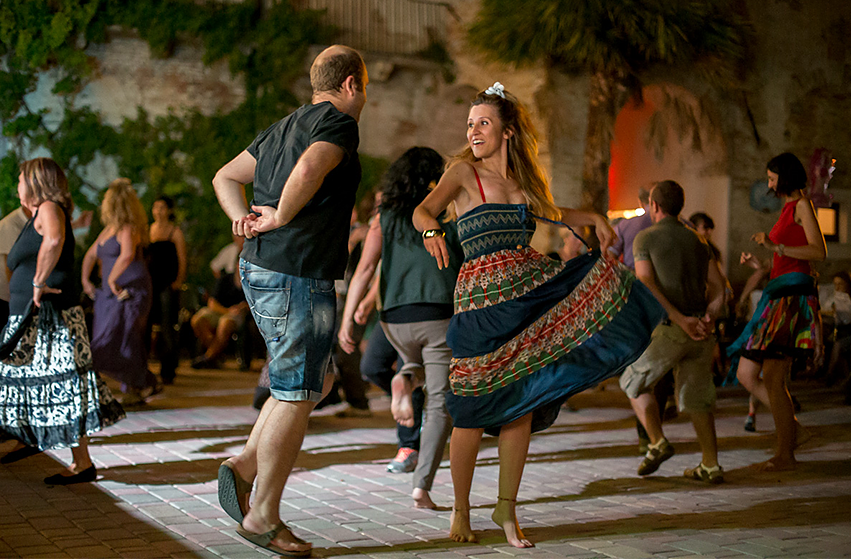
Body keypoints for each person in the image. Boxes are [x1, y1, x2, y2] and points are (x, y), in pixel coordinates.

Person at [413, 82, 664, 548]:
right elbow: (422, 211)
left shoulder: (523, 186)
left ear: (508, 131)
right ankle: (461, 511)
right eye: (470, 124)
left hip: (527, 295)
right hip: (480, 306)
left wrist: (594, 216)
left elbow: (554, 211)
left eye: (483, 122)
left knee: (521, 408)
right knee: (468, 411)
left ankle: (507, 511)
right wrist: (431, 231)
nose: (473, 130)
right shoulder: (464, 173)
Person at [211, 44, 368, 557]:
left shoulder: (283, 125)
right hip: (297, 268)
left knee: (311, 379)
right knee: (299, 388)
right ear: (351, 84)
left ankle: (244, 466)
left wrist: (242, 218)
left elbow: (225, 176)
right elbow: (310, 170)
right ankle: (262, 515)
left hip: (261, 265)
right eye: (364, 87)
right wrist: (277, 215)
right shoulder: (338, 123)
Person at [339, 147, 462, 509]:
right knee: (440, 405)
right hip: (439, 314)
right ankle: (421, 487)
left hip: (394, 320)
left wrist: (349, 319)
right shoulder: (448, 212)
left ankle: (406, 378)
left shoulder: (385, 216)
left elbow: (364, 268)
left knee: (413, 363)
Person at [0, 158, 125, 481]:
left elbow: (54, 241)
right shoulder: (40, 213)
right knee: (39, 382)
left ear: (36, 182)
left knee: (61, 383)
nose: (17, 185)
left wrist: (38, 281)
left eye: (20, 179)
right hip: (35, 314)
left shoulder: (49, 208)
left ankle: (80, 462)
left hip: (49, 315)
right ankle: (37, 442)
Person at [619, 181, 728, 483]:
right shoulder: (698, 241)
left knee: (632, 382)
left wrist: (679, 318)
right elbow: (720, 288)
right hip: (701, 331)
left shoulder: (645, 238)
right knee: (698, 400)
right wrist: (709, 316)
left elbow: (645, 281)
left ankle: (656, 442)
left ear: (653, 205)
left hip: (669, 329)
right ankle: (710, 464)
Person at [728, 152, 826, 471]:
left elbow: (818, 251)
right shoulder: (787, 209)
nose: (769, 184)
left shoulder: (802, 206)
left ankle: (787, 451)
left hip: (791, 300)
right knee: (747, 373)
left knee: (772, 376)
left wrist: (776, 248)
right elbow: (787, 260)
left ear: (785, 177)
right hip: (777, 293)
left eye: (772, 178)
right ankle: (793, 431)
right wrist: (763, 263)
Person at [82, 179, 158, 406]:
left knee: (123, 338)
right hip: (108, 294)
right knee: (109, 337)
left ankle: (137, 385)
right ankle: (141, 383)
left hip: (129, 291)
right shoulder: (108, 230)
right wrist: (85, 279)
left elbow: (126, 255)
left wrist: (113, 279)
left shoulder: (128, 228)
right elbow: (90, 255)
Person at [147, 195, 187, 384]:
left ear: (169, 210)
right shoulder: (149, 230)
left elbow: (182, 258)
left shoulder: (174, 231)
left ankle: (168, 369)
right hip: (150, 284)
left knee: (167, 327)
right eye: (156, 207)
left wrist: (178, 281)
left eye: (162, 207)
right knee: (147, 326)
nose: (158, 211)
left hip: (167, 284)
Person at [190, 256, 248, 369]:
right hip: (220, 311)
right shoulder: (225, 279)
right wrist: (227, 310)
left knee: (225, 324)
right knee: (198, 320)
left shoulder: (252, 282)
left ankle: (208, 357)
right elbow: (212, 303)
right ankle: (216, 354)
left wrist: (243, 307)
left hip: (238, 316)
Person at [0, 205, 30, 329]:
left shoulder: (29, 222)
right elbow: (9, 266)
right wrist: (17, 299)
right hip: (5, 297)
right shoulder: (11, 224)